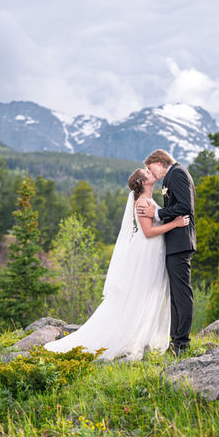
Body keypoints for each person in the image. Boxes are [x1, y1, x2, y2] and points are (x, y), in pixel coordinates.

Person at [44, 168, 189, 360]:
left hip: (154, 252)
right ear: (143, 182)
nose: (151, 171)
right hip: (148, 252)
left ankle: (139, 335)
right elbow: (148, 231)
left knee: (146, 294)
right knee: (140, 295)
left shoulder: (148, 200)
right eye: (147, 171)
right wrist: (175, 224)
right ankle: (125, 338)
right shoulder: (143, 202)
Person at [137, 149, 196, 356]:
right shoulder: (171, 176)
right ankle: (176, 341)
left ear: (161, 162)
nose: (150, 172)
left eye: (150, 168)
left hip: (180, 242)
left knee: (181, 294)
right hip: (175, 243)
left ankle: (182, 343)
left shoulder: (177, 174)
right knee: (175, 296)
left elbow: (185, 206)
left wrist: (158, 213)